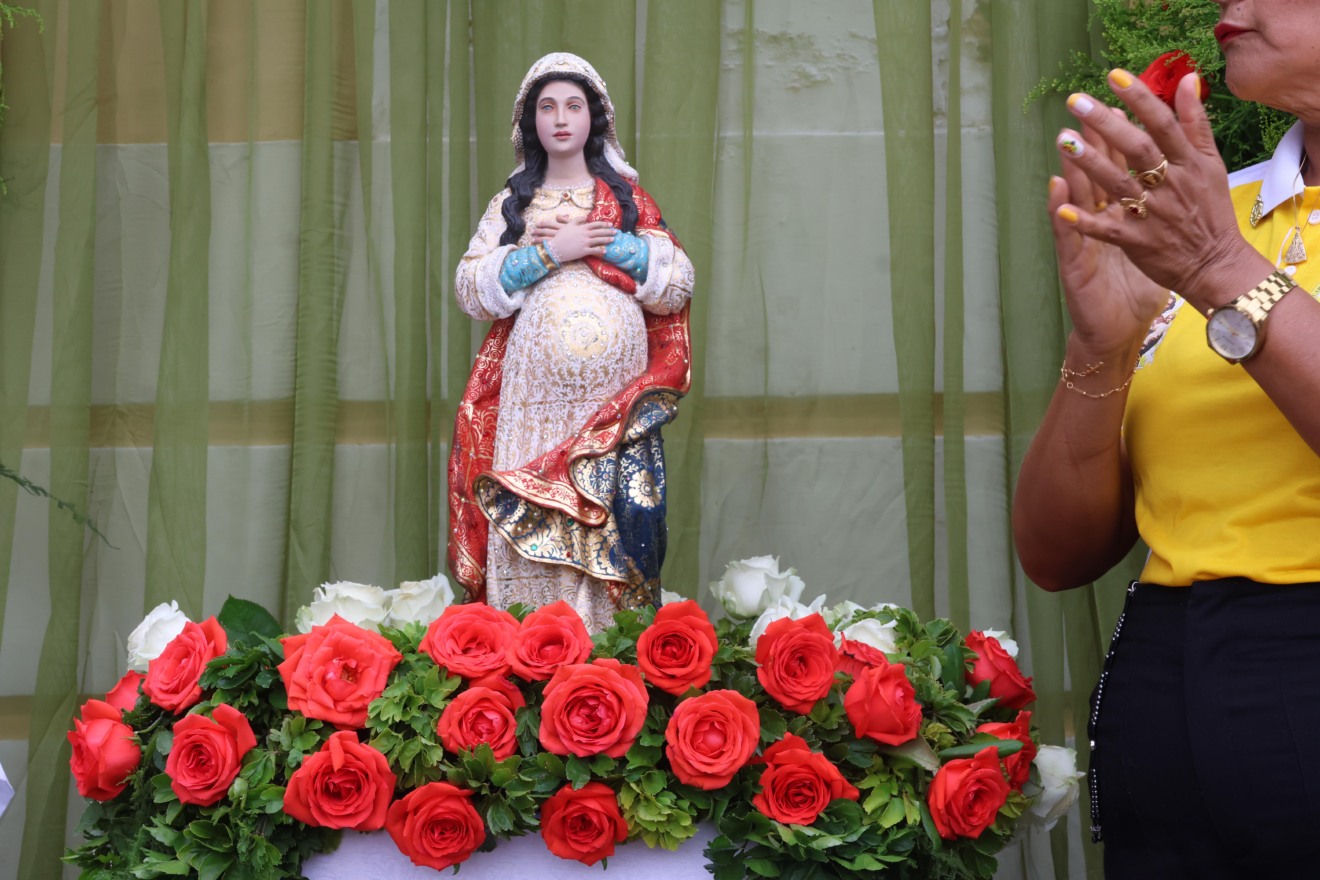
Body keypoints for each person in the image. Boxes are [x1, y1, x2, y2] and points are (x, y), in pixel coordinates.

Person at [1013, 1, 1320, 876]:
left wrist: (1222, 269)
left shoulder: (1205, 240)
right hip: (1164, 676)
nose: (1232, 5)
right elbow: (1056, 554)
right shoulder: (1202, 212)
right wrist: (1101, 346)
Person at [447, 53, 694, 634]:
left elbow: (677, 283)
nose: (560, 119)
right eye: (548, 107)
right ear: (530, 121)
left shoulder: (626, 200)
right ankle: (530, 644)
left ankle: (610, 650)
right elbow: (470, 288)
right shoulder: (514, 203)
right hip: (533, 406)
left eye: (573, 106)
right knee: (532, 508)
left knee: (611, 514)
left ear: (594, 118)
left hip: (612, 404)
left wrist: (604, 244)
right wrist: (549, 253)